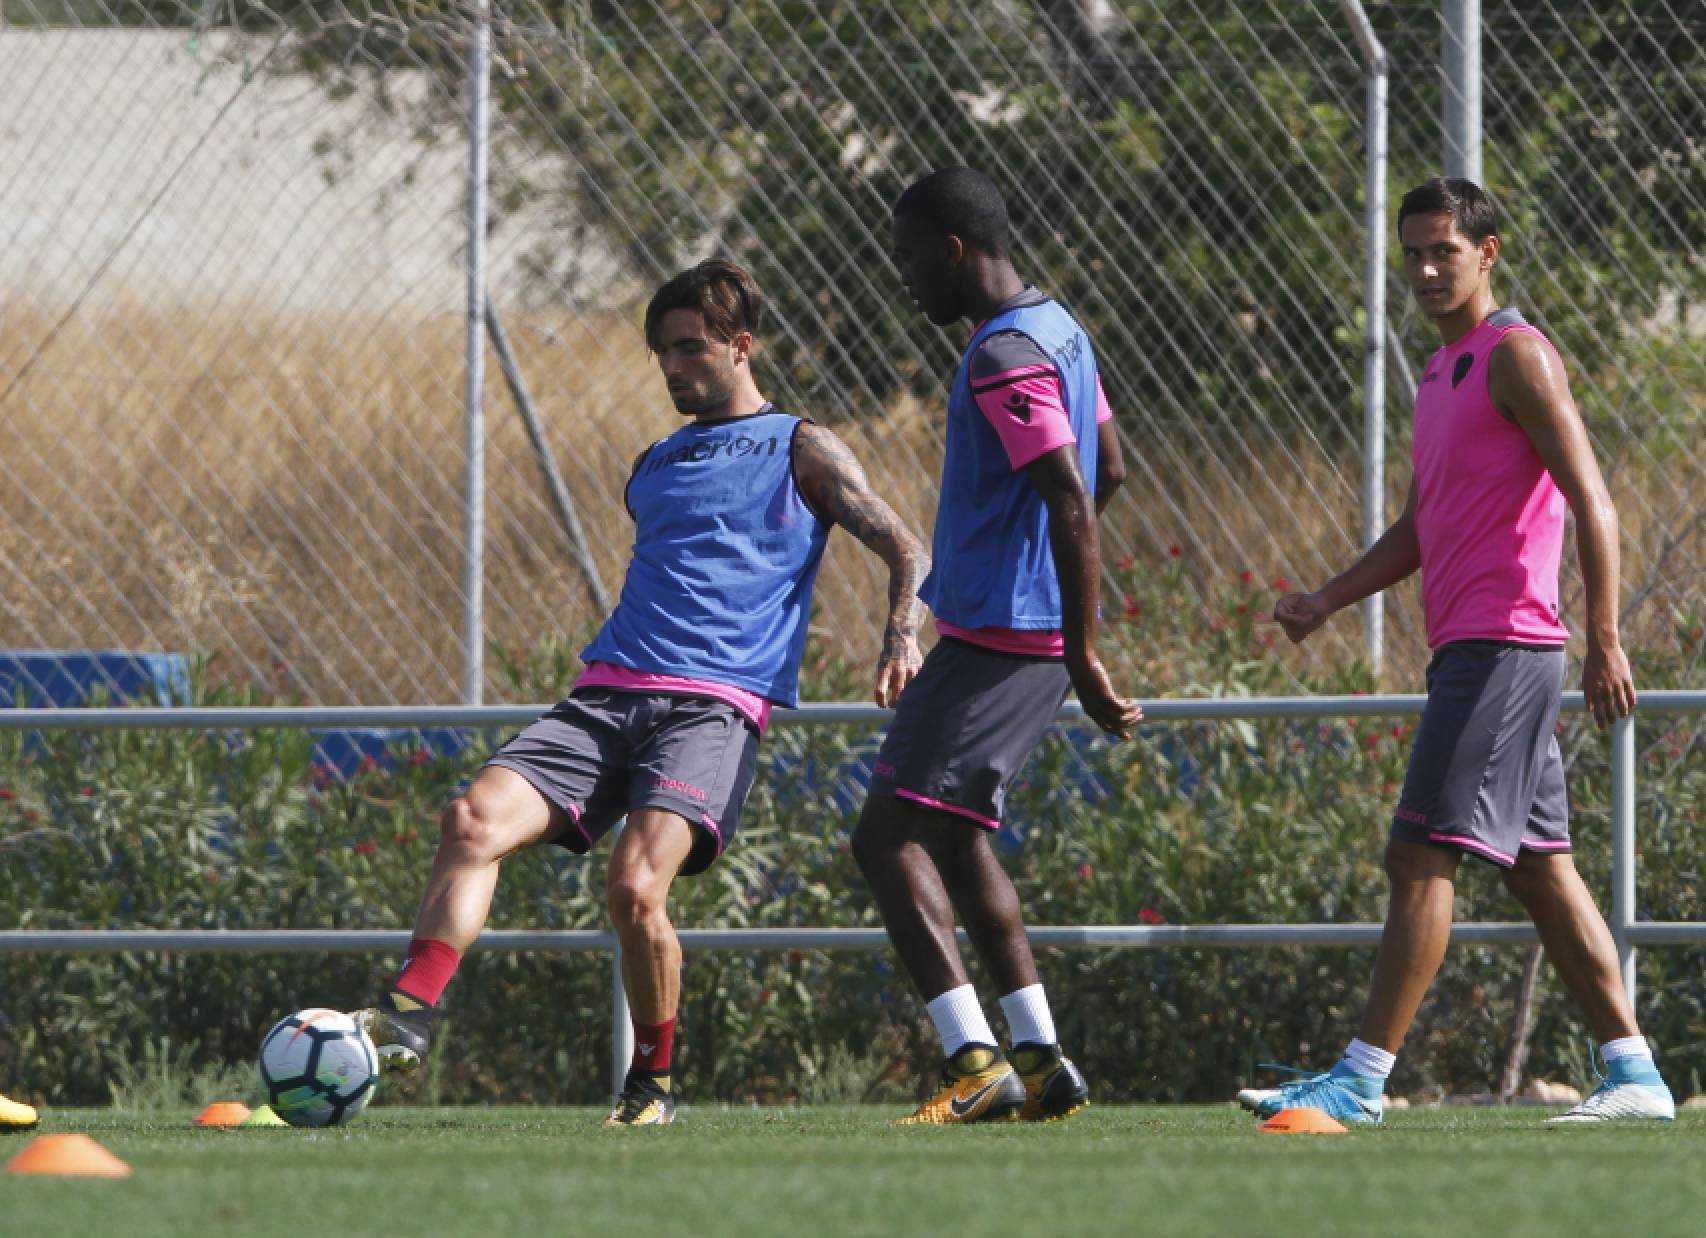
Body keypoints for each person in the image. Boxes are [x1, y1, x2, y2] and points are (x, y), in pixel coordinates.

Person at [356, 259, 928, 1126]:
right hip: (608, 694)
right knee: (471, 821)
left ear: (741, 347)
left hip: (714, 706)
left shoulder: (800, 445)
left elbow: (905, 546)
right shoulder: (654, 462)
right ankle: (407, 1018)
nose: (672, 366)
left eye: (690, 347)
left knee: (633, 889)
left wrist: (901, 634)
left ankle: (650, 1084)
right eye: (661, 350)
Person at [1240, 177, 1672, 1126]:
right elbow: (1422, 524)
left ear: (1489, 254)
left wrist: (1603, 637)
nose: (1430, 270)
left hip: (1507, 646)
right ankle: (1637, 1075)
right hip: (1472, 649)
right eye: (1417, 254)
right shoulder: (1441, 372)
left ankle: (1359, 1080)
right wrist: (1329, 599)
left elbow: (1593, 498)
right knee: (1539, 867)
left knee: (1419, 853)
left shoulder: (1517, 357)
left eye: (1447, 251)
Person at [853, 167, 1140, 1125]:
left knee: (885, 834)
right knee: (957, 834)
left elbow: (1066, 488)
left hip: (1002, 638)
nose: (904, 282)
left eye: (908, 261)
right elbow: (1114, 466)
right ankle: (1042, 1058)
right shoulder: (1062, 328)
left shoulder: (1002, 352)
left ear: (952, 252)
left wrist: (1077, 642)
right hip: (1016, 629)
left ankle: (973, 1060)